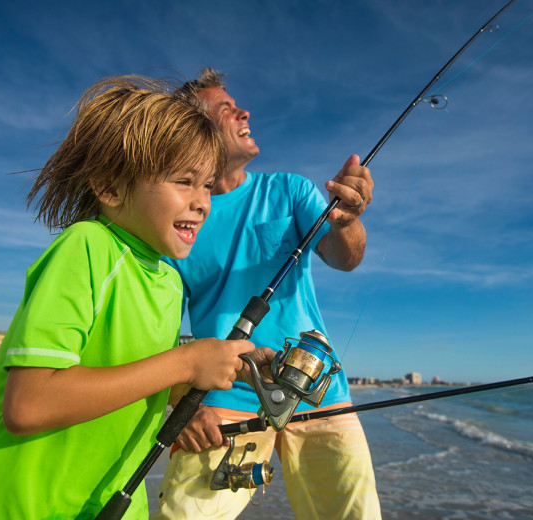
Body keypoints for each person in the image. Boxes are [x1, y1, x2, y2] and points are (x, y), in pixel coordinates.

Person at [0, 75, 266, 520]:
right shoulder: (87, 246)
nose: (202, 202)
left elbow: (125, 369)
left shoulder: (168, 280)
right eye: (184, 181)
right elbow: (30, 404)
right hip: (5, 502)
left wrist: (196, 387)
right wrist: (185, 363)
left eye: (207, 186)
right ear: (111, 188)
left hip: (104, 502)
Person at [155, 68, 382, 519]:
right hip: (220, 398)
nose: (244, 112)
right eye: (226, 109)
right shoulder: (175, 217)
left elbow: (346, 257)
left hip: (318, 391)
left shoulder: (290, 190)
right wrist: (180, 400)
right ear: (192, 130)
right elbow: (158, 327)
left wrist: (348, 218)